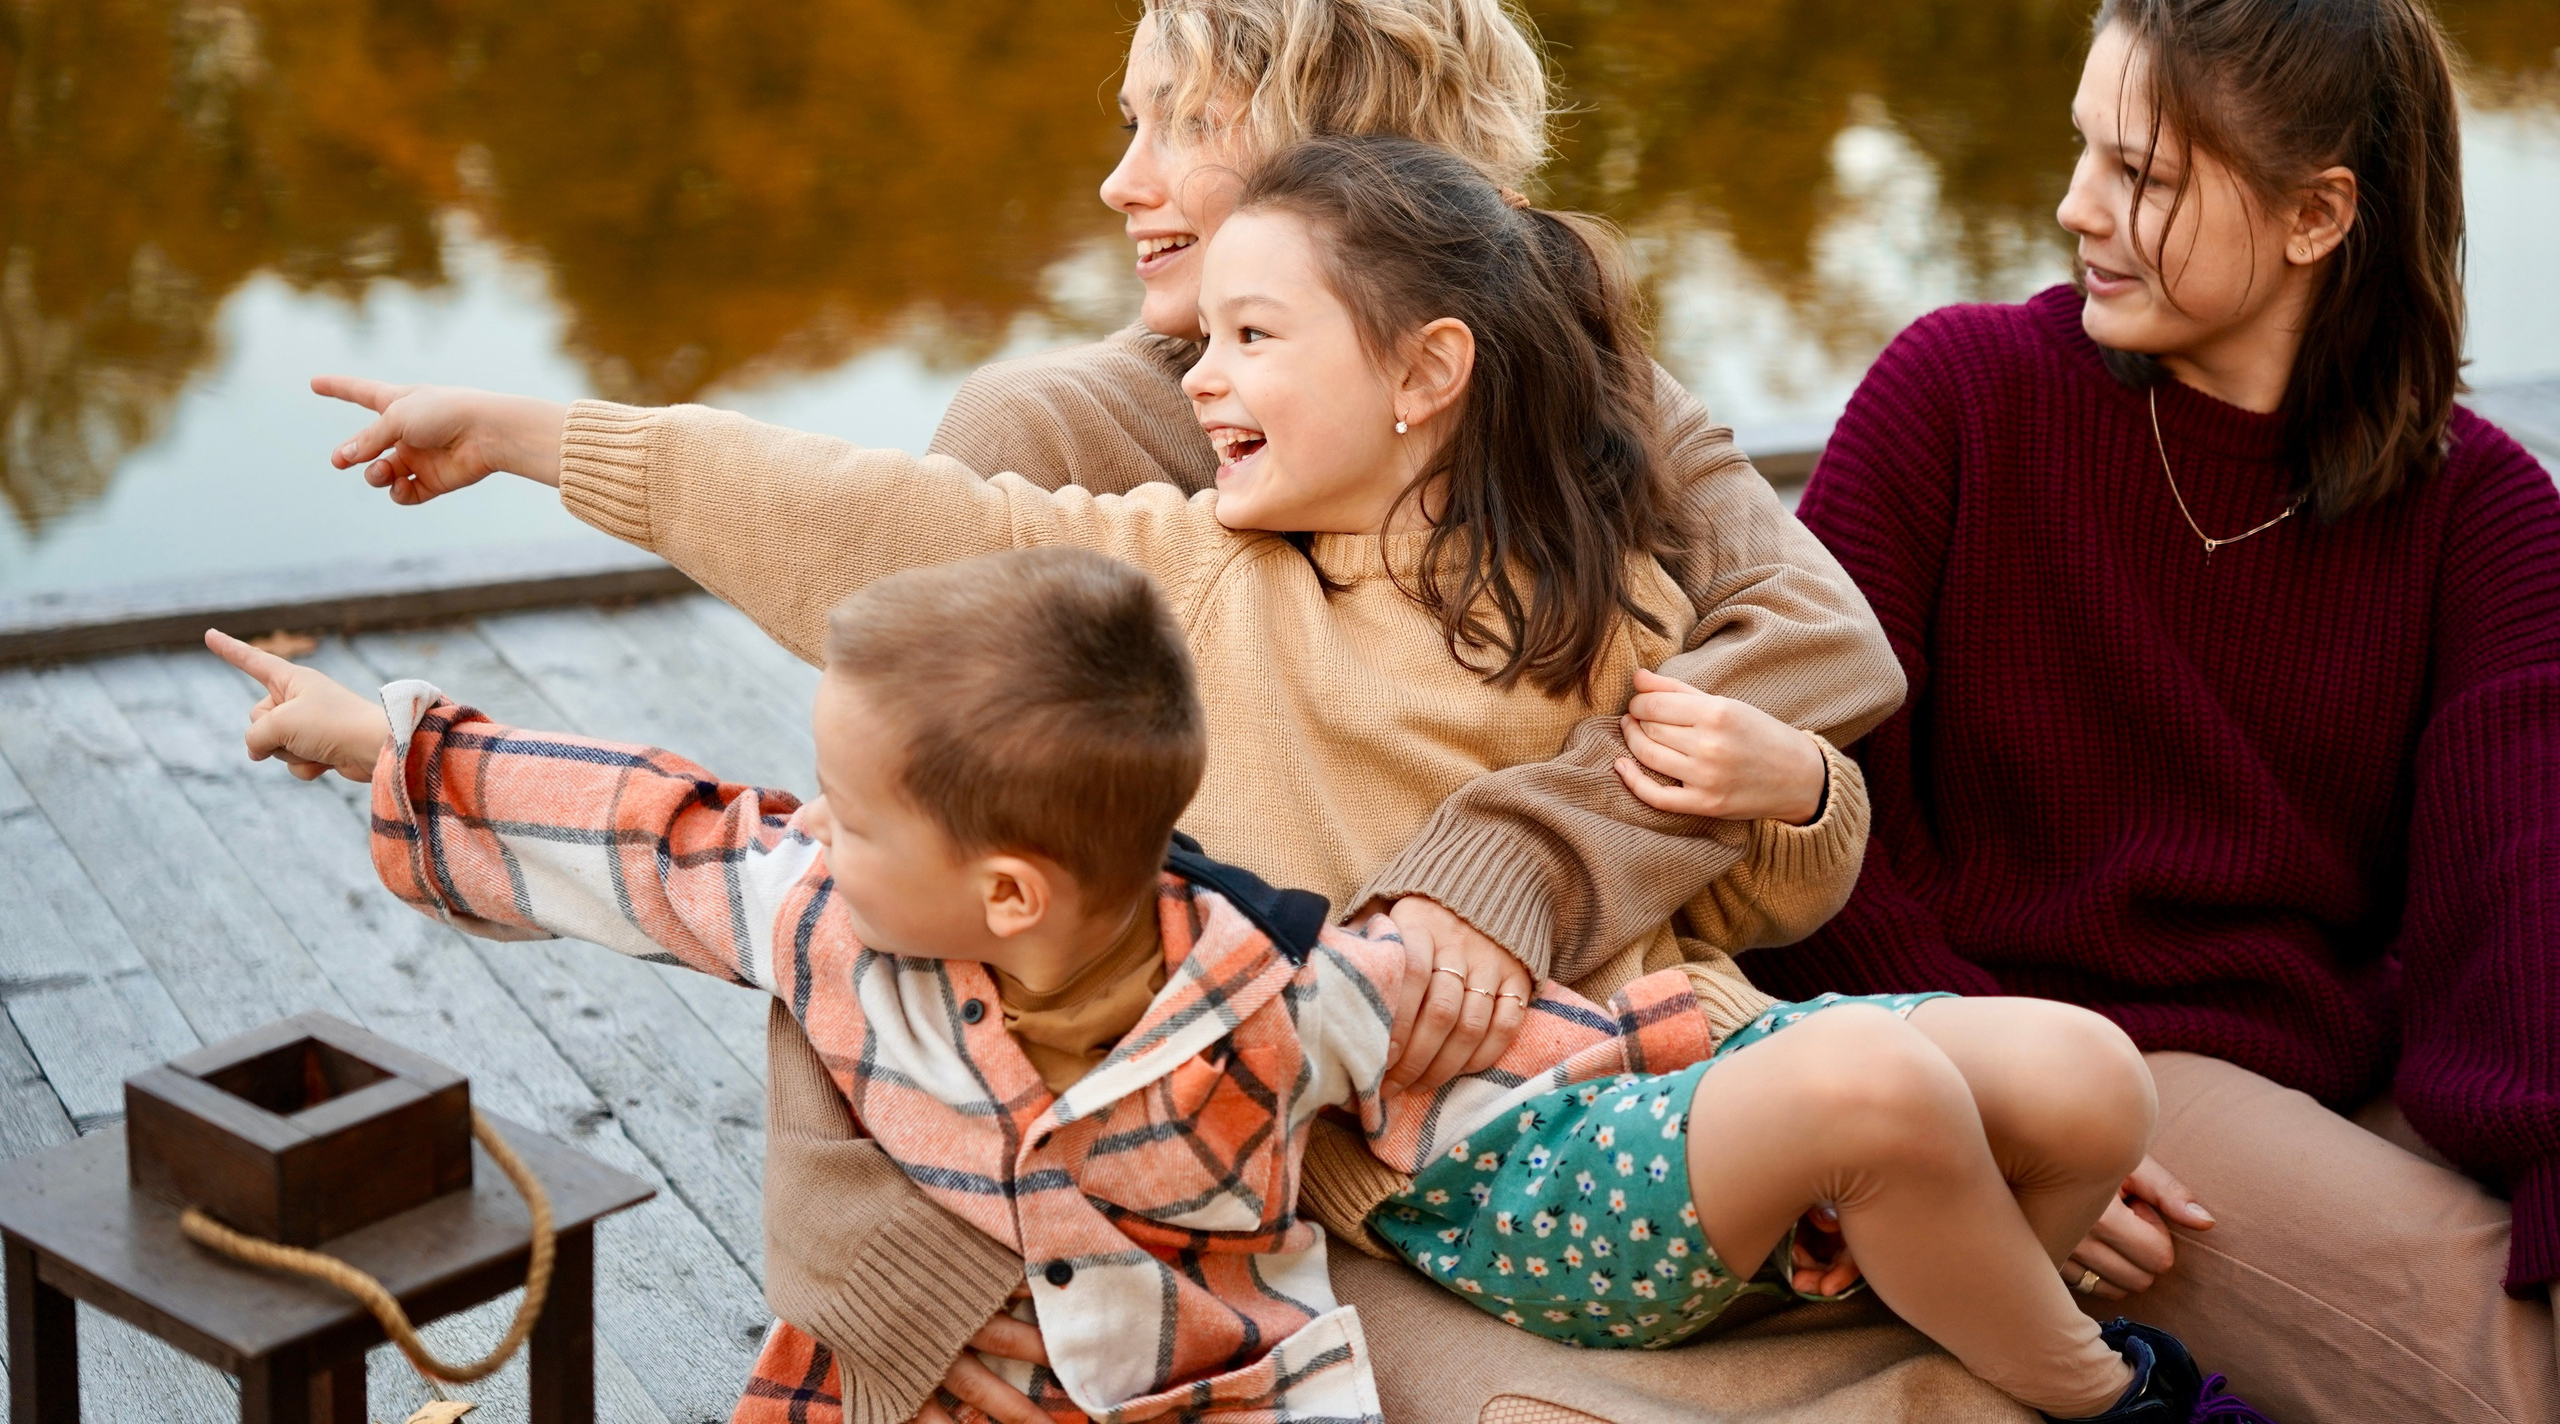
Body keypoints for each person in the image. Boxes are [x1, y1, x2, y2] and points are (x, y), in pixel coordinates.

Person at [293, 134, 2247, 1423]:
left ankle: (1917, 1285)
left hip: (1675, 1073)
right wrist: (540, 432)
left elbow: (1755, 904)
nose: (1195, 375)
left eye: (1246, 334)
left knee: (2083, 1068)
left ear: (1424, 378)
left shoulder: (1590, 595)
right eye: (1196, 333)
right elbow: (845, 508)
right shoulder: (1173, 592)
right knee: (1882, 1079)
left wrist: (1786, 788)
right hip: (1478, 1162)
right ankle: (2119, 1403)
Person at [200, 551, 1721, 1424]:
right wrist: (378, 740)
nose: (810, 835)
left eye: (850, 817)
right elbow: (648, 835)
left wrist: (1691, 1044)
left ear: (1008, 895)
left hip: (1212, 1402)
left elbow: (1490, 1036)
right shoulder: (833, 929)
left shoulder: (1272, 994)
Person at [1750, 0, 2560, 1424]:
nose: (2076, 208)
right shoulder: (1960, 400)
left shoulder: (2486, 515)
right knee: (2504, 1374)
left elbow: (2528, 911)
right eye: (2086, 151)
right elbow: (1781, 818)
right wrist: (1984, 1100)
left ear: (2318, 217)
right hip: (2096, 1072)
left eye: (2143, 177)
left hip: (2341, 1062)